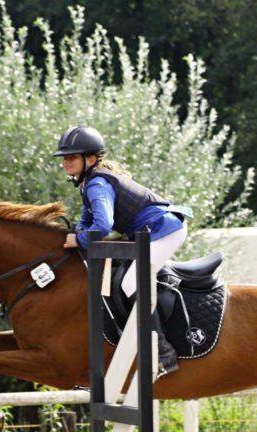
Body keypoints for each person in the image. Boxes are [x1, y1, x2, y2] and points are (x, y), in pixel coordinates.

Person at [55, 124, 191, 376]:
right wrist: (75, 233)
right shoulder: (88, 183)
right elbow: (87, 221)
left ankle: (164, 353)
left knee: (131, 283)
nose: (65, 163)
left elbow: (102, 226)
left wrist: (80, 241)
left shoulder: (96, 184)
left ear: (91, 159)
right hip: (151, 232)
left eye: (71, 157)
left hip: (164, 231)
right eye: (64, 158)